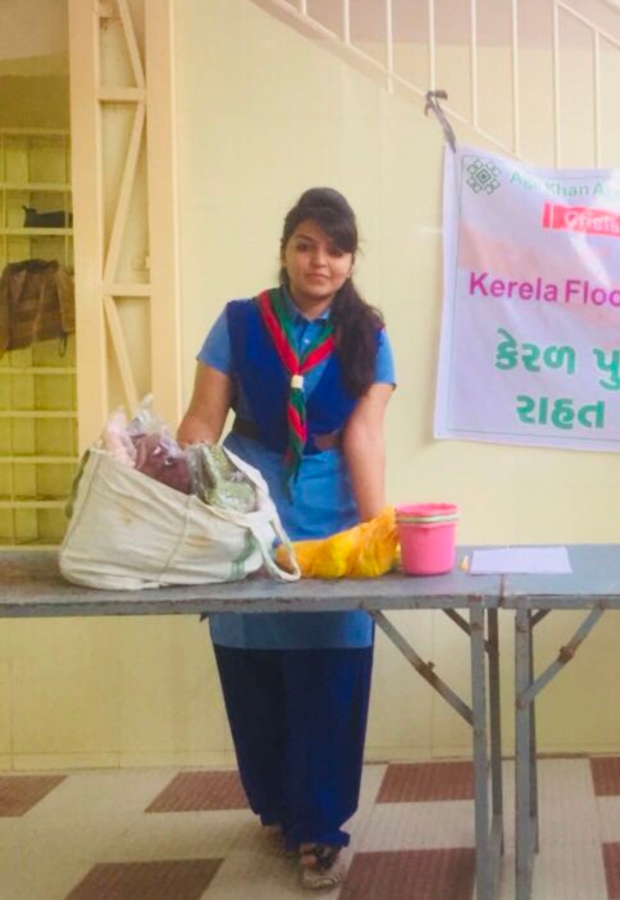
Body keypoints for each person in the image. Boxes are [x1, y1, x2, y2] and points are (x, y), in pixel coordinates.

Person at [178, 187, 395, 888]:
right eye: (306, 245)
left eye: (335, 249)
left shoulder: (369, 333)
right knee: (254, 664)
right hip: (248, 504)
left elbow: (364, 434)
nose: (319, 261)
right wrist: (189, 504)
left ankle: (323, 827)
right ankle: (279, 806)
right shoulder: (240, 323)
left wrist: (376, 536)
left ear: (352, 258)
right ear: (284, 250)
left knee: (330, 666)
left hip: (329, 508)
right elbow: (202, 423)